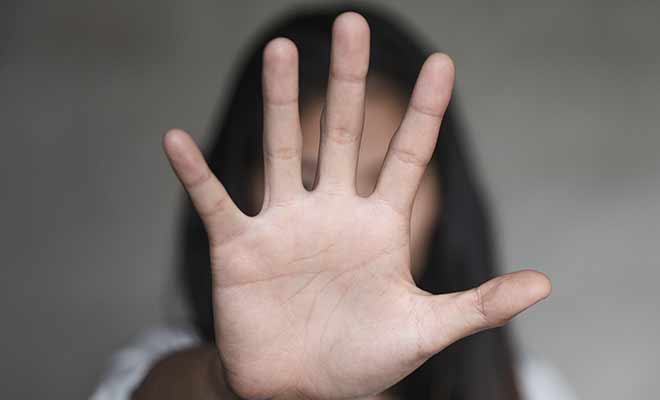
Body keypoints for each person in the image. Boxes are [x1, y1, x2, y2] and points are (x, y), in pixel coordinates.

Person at [92, 5, 577, 400]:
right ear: (243, 186)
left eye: (391, 182)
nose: (354, 223)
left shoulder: (530, 390)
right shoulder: (164, 373)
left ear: (445, 195)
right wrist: (230, 384)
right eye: (309, 180)